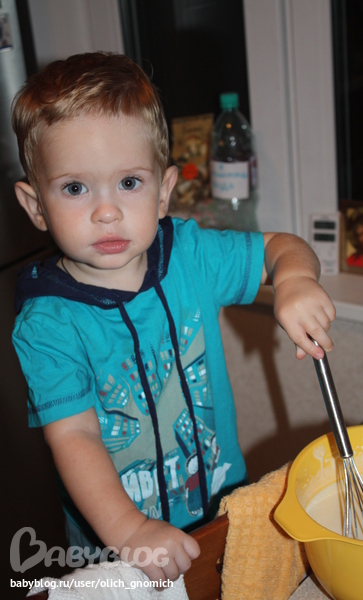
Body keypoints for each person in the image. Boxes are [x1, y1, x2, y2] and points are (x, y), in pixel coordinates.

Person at [11, 52, 335, 584]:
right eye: (75, 188)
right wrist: (131, 531)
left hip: (219, 510)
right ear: (35, 205)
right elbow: (75, 437)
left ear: (164, 191)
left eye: (129, 183)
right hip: (118, 549)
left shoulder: (191, 256)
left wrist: (295, 280)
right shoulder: (47, 324)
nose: (106, 211)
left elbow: (282, 247)